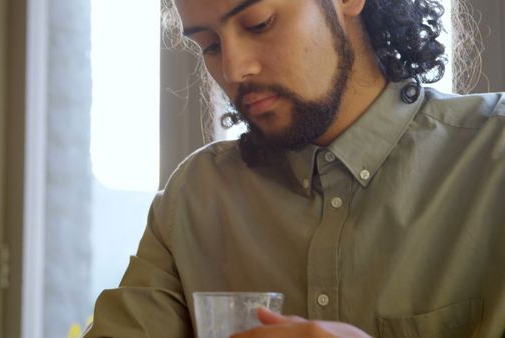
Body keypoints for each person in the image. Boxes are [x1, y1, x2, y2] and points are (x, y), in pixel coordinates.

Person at [84, 0, 505, 336]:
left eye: (259, 23)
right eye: (210, 45)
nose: (234, 69)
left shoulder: (494, 157)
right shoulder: (193, 199)